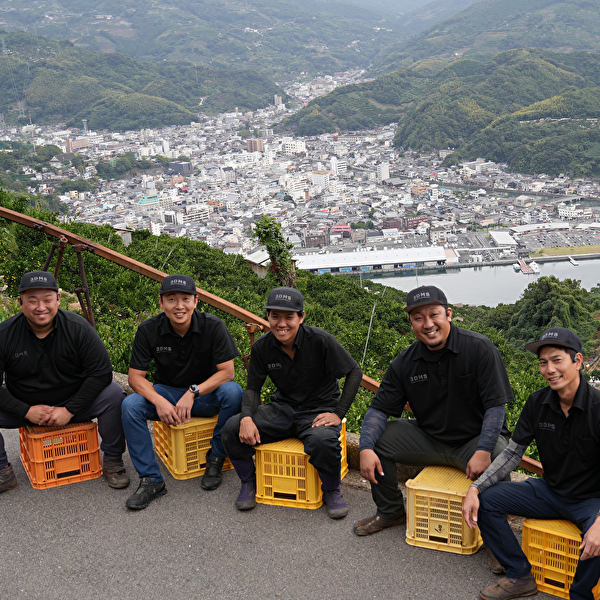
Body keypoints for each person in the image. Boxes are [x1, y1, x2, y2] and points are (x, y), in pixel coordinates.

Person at [354, 284, 514, 536]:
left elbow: (496, 407)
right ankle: (390, 512)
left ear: (448, 314)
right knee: (379, 439)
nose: (428, 324)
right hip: (430, 438)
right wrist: (365, 448)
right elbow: (378, 410)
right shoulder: (405, 362)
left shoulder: (479, 348)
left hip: (473, 441)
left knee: (498, 455)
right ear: (411, 324)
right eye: (419, 318)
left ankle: (495, 536)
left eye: (434, 314)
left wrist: (483, 451)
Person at [463, 328, 600, 600]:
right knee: (487, 501)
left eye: (557, 360)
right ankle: (520, 575)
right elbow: (513, 454)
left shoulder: (598, 407)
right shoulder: (537, 402)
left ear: (578, 360)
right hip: (550, 491)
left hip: (591, 500)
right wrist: (476, 489)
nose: (549, 369)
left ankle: (581, 594)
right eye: (543, 362)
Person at [221, 286, 363, 519]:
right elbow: (253, 387)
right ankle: (249, 482)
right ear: (268, 317)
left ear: (301, 317)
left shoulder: (320, 341)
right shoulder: (262, 347)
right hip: (282, 409)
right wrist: (246, 417)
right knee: (231, 429)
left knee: (322, 442)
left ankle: (331, 490)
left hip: (318, 410)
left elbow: (354, 372)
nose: (281, 323)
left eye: (289, 316)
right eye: (275, 316)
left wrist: (338, 413)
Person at [121, 274, 243, 510]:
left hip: (204, 396)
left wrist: (193, 392)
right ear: (161, 302)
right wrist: (159, 401)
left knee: (233, 392)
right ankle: (152, 480)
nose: (179, 306)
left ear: (196, 301)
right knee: (130, 406)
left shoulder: (213, 326)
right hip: (167, 393)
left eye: (185, 299)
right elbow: (135, 378)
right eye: (171, 299)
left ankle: (216, 458)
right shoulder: (148, 330)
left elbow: (227, 373)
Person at [0, 270, 129, 493]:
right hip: (24, 407)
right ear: (21, 303)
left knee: (114, 394)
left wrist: (69, 410)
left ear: (58, 299)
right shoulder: (5, 334)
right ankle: (2, 470)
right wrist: (26, 410)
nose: (41, 307)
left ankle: (113, 459)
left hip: (74, 403)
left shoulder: (78, 329)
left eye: (47, 299)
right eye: (32, 300)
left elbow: (101, 374)